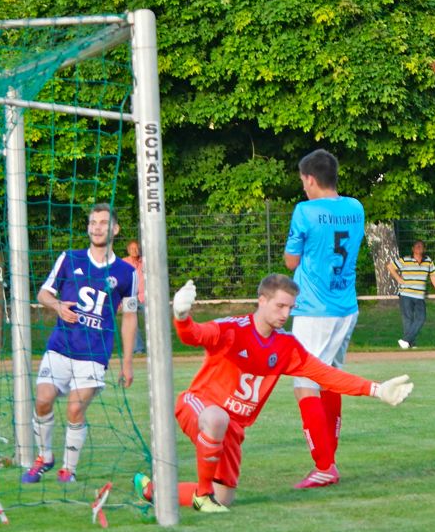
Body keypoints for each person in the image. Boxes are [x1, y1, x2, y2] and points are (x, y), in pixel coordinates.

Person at [133, 275, 413, 512]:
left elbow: (326, 375)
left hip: (232, 428)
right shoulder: (232, 329)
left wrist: (377, 389)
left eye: (290, 307)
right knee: (217, 418)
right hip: (198, 405)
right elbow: (194, 335)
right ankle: (203, 495)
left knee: (224, 497)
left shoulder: (286, 347)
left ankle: (152, 490)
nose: (285, 314)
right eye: (280, 306)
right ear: (262, 301)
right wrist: (182, 317)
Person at [23, 203, 137, 485]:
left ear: (115, 229)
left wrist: (127, 363)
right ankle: (44, 457)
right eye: (93, 222)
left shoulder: (126, 273)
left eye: (103, 223)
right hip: (60, 346)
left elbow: (130, 317)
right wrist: (57, 305)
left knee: (75, 410)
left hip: (94, 354)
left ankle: (68, 470)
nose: (97, 228)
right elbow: (43, 294)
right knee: (42, 401)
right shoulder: (69, 258)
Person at [283, 148, 365, 489]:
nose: (303, 187)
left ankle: (324, 465)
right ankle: (329, 459)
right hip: (346, 305)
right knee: (330, 380)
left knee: (304, 383)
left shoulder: (305, 211)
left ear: (311, 179)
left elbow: (291, 261)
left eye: (303, 180)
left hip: (314, 310)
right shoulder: (355, 207)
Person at [388, 240, 435, 349]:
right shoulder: (405, 259)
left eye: (421, 246)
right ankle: (410, 343)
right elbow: (390, 267)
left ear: (424, 249)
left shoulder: (428, 261)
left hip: (419, 295)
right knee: (408, 319)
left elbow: (433, 275)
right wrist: (398, 279)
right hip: (406, 294)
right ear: (413, 248)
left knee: (421, 318)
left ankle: (405, 341)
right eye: (417, 246)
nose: (419, 248)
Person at [122, 239, 146, 355]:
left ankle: (156, 347)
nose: (134, 250)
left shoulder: (146, 262)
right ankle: (138, 349)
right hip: (129, 297)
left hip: (145, 296)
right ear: (128, 250)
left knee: (152, 321)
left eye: (136, 248)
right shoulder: (123, 263)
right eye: (132, 248)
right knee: (132, 324)